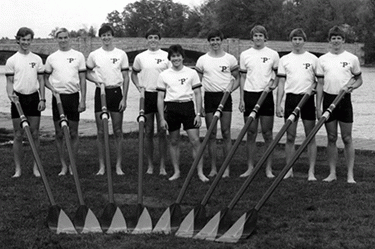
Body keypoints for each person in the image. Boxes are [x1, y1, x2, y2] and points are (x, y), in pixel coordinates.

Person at [316, 25, 362, 184]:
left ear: (343, 40)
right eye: (333, 38)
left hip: (344, 101)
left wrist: (351, 87)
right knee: (331, 137)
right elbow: (320, 84)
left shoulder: (352, 58)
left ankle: (350, 175)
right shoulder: (322, 60)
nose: (336, 41)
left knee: (347, 138)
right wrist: (318, 107)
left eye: (339, 38)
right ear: (329, 41)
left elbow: (359, 80)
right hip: (329, 100)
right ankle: (332, 173)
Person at [157, 44, 209, 182]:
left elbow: (198, 93)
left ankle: (200, 172)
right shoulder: (163, 75)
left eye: (178, 56)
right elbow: (160, 98)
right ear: (170, 58)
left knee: (195, 140)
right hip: (171, 108)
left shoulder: (191, 73)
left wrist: (198, 113)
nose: (176, 59)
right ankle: (176, 171)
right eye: (173, 56)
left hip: (187, 108)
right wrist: (162, 118)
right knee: (173, 141)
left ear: (182, 57)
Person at [86, 24, 130, 176]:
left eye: (108, 35)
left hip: (116, 92)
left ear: (113, 36)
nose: (106, 38)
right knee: (100, 131)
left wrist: (124, 98)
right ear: (100, 37)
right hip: (101, 93)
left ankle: (118, 166)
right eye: (103, 35)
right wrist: (97, 82)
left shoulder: (121, 54)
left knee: (117, 131)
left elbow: (126, 77)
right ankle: (102, 166)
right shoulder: (94, 55)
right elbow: (86, 73)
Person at [195, 29, 239, 178]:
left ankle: (226, 168)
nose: (215, 42)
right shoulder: (202, 60)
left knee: (226, 133)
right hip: (209, 98)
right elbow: (196, 84)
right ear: (209, 42)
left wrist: (229, 90)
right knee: (211, 134)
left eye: (217, 40)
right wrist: (199, 105)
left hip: (225, 97)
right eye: (212, 40)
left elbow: (238, 78)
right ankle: (213, 168)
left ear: (222, 41)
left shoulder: (230, 59)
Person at [44, 28, 87, 176]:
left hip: (73, 97)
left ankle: (72, 164)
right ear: (57, 39)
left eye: (65, 37)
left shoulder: (78, 56)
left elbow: (82, 79)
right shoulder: (52, 58)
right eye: (60, 38)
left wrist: (83, 100)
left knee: (74, 132)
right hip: (58, 98)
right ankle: (63, 165)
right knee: (59, 133)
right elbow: (44, 79)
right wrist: (52, 89)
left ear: (69, 38)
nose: (63, 40)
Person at [276, 28, 317, 180]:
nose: (297, 42)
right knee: (290, 136)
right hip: (291, 100)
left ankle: (311, 171)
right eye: (295, 39)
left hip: (307, 100)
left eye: (300, 39)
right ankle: (289, 169)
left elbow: (317, 83)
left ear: (304, 41)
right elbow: (281, 83)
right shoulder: (284, 59)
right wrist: (278, 104)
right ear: (291, 41)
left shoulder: (313, 59)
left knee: (310, 137)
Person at [239, 25, 279, 178]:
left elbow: (278, 77)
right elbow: (242, 77)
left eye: (260, 35)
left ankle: (268, 169)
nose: (258, 38)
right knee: (251, 133)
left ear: (265, 37)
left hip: (266, 96)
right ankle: (250, 167)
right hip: (250, 95)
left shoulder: (273, 54)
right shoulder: (245, 55)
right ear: (252, 38)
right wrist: (242, 99)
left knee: (268, 133)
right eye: (255, 35)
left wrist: (272, 86)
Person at [5, 27, 46, 178]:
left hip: (34, 98)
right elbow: (9, 82)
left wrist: (42, 98)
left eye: (28, 40)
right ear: (18, 40)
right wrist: (11, 95)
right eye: (23, 40)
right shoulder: (12, 60)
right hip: (18, 99)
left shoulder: (37, 59)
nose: (26, 43)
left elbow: (41, 80)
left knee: (35, 134)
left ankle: (36, 168)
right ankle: (18, 169)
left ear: (31, 41)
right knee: (18, 134)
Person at [131, 28, 169, 175]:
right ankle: (150, 165)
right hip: (146, 96)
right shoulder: (140, 57)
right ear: (146, 40)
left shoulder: (166, 56)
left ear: (160, 40)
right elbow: (134, 74)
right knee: (148, 132)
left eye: (155, 37)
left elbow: (171, 75)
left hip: (162, 96)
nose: (153, 40)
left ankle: (162, 166)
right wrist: (138, 86)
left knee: (162, 131)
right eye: (150, 37)